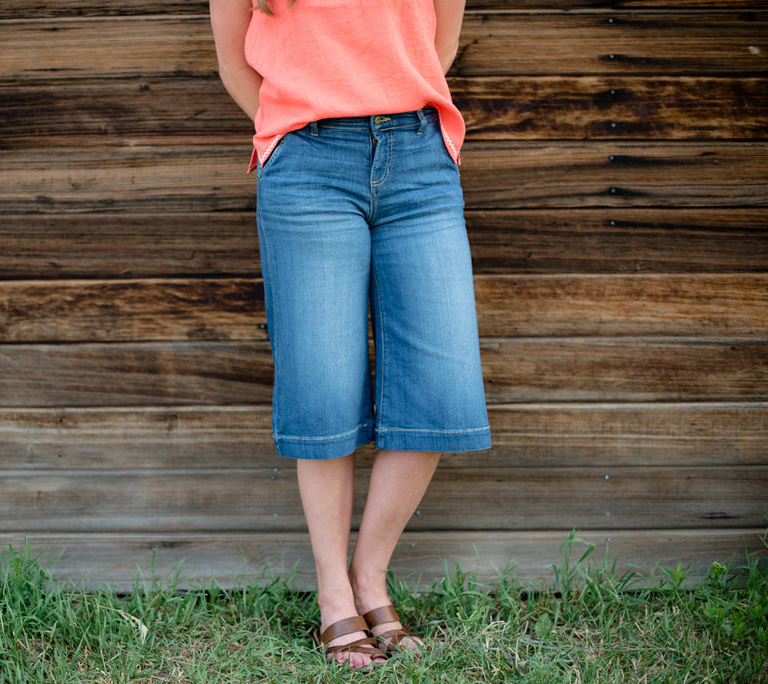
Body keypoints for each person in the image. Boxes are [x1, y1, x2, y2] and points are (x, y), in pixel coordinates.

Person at [209, 0, 491, 670]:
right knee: (324, 386)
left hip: (419, 160)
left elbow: (440, 43)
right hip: (307, 162)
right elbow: (233, 63)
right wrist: (293, 127)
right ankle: (334, 593)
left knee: (441, 385)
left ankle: (370, 574)